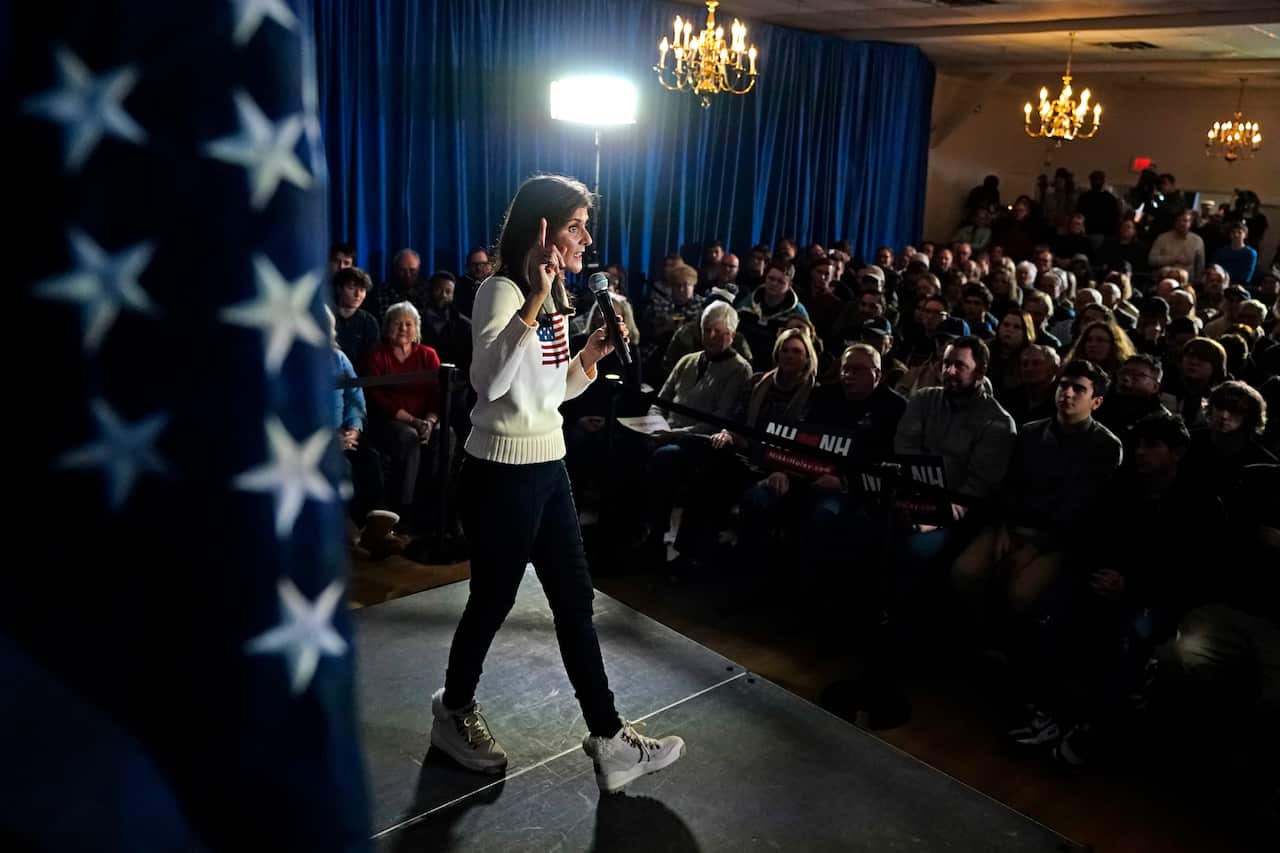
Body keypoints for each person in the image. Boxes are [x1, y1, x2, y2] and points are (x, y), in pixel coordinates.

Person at [429, 174, 683, 793]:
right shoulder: (500, 290)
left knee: (576, 602)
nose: (585, 238)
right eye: (574, 226)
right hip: (498, 475)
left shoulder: (558, 299)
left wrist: (588, 360)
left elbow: (550, 393)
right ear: (539, 230)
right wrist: (534, 304)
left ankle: (610, 738)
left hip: (549, 467)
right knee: (492, 601)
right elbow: (489, 384)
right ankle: (453, 710)